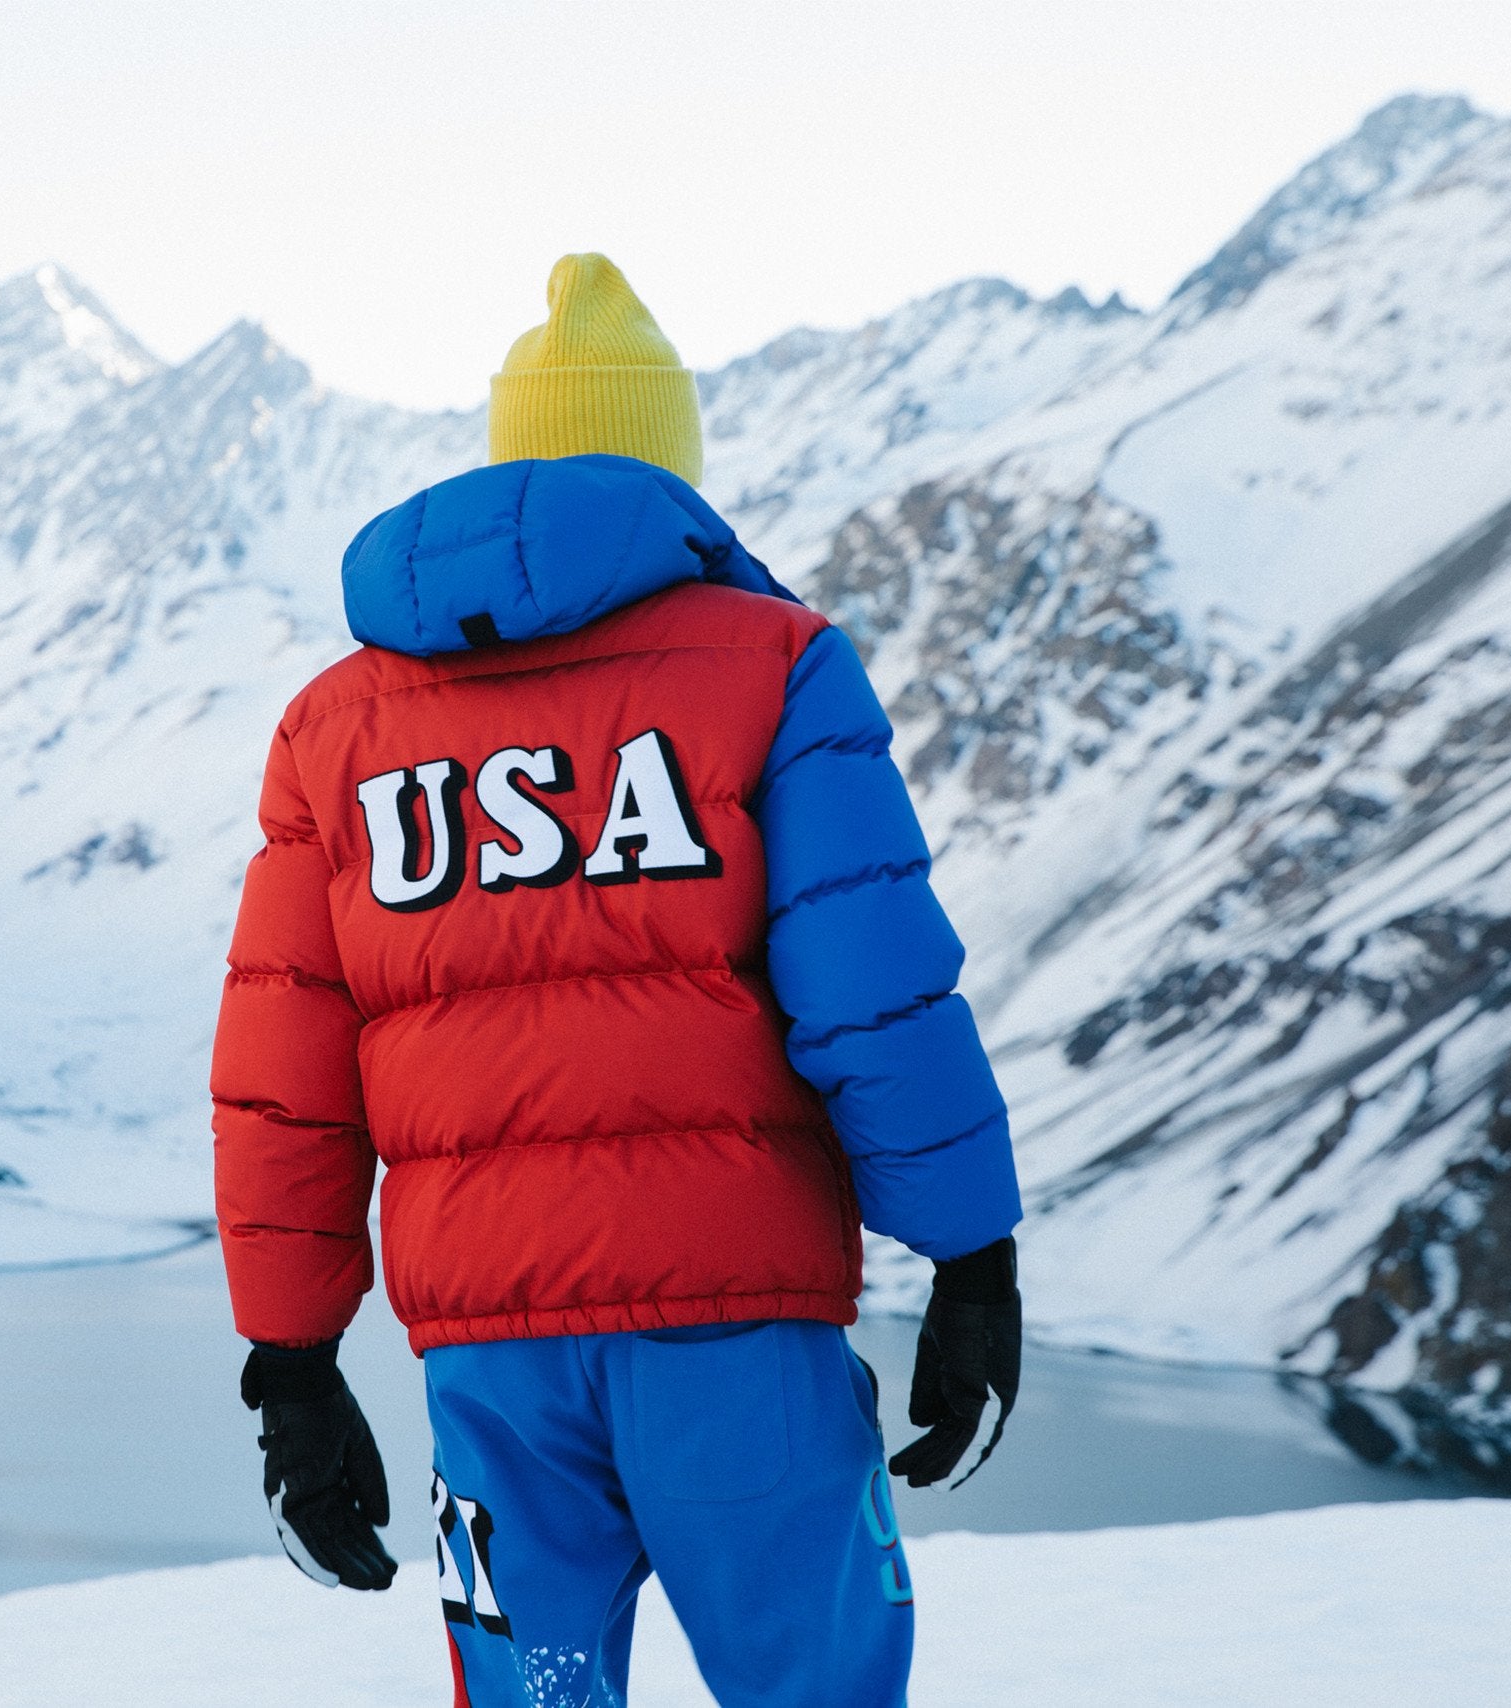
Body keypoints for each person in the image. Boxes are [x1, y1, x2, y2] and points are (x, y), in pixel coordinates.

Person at [212, 253, 1022, 1708]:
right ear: (670, 466)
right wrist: (969, 1256)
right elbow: (871, 992)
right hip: (738, 1326)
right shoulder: (774, 664)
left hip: (491, 1364)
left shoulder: (332, 729)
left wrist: (292, 1362)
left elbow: (285, 1073)